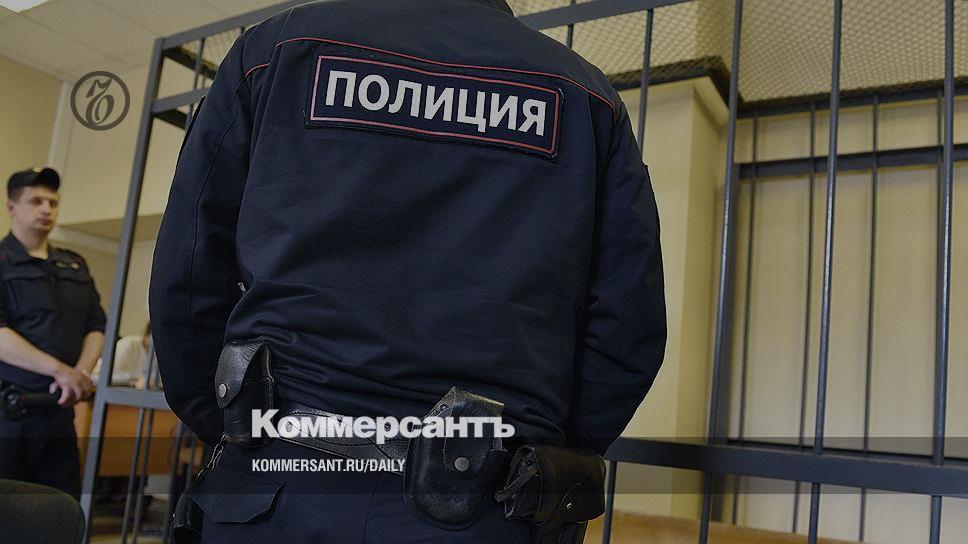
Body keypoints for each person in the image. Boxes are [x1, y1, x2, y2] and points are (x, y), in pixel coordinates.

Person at [150, 0, 666, 542]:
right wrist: (538, 454)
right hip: (487, 508)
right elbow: (628, 324)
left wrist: (233, 422)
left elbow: (188, 270)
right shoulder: (585, 97)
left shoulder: (278, 49)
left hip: (273, 485)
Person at [0, 167, 107, 498]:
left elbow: (96, 324)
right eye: (36, 201)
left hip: (60, 411)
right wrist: (63, 372)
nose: (46, 209)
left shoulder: (74, 263)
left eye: (53, 202)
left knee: (62, 507)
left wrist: (80, 374)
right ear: (12, 207)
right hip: (10, 414)